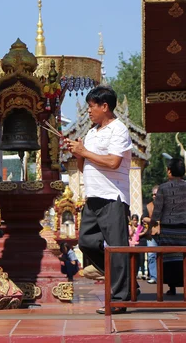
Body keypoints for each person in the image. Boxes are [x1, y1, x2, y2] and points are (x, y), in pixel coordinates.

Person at [65, 86, 133, 315]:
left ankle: (120, 298)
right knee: (85, 241)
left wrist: (84, 152)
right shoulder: (92, 132)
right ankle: (123, 278)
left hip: (112, 196)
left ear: (105, 106)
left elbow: (114, 162)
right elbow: (84, 167)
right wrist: (78, 154)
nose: (89, 112)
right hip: (92, 196)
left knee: (117, 247)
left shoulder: (119, 130)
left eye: (92, 107)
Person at [150, 158, 186, 296]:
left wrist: (150, 227)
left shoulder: (163, 188)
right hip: (185, 228)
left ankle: (172, 287)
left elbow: (157, 211)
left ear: (169, 171)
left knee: (170, 257)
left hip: (169, 228)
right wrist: (181, 172)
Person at [142, 186, 159, 284]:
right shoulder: (148, 206)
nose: (154, 196)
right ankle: (154, 276)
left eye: (156, 194)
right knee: (151, 255)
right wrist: (153, 220)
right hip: (151, 234)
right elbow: (144, 218)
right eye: (153, 194)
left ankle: (164, 276)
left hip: (163, 233)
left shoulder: (166, 205)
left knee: (165, 255)